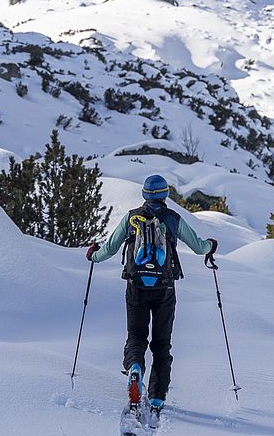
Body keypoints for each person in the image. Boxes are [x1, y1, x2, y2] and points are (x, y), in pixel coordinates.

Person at [86, 174, 217, 414]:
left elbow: (109, 249)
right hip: (165, 288)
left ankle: (135, 368)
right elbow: (199, 247)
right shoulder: (173, 219)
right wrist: (211, 245)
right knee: (161, 343)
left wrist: (93, 254)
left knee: (136, 336)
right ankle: (157, 398)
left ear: (144, 194)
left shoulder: (132, 218)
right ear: (165, 195)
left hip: (136, 286)